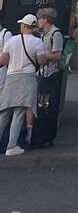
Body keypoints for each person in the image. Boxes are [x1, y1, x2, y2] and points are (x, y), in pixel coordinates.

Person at [0, 15, 46, 155]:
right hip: (27, 77)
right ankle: (11, 145)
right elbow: (41, 61)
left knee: (4, 111)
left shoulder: (12, 40)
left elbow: (3, 59)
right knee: (19, 112)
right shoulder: (37, 42)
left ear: (24, 26)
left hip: (11, 77)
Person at [33, 7, 64, 149]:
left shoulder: (55, 34)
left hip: (50, 73)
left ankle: (46, 134)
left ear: (46, 19)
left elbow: (57, 55)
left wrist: (44, 56)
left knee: (46, 104)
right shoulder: (42, 34)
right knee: (39, 102)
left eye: (39, 18)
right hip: (42, 72)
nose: (38, 21)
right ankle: (39, 133)